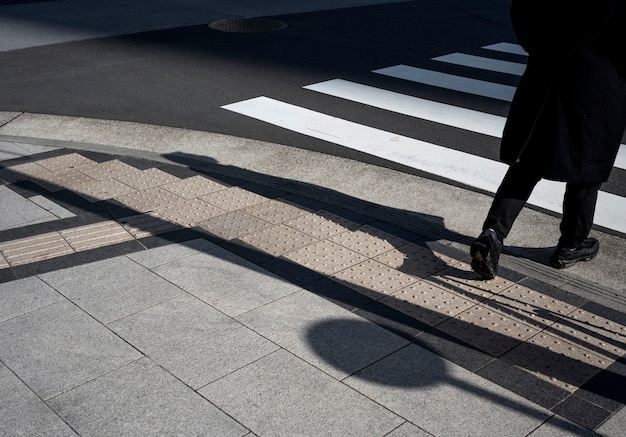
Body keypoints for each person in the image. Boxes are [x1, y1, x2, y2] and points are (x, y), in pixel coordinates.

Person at [470, 0, 626, 279]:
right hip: (598, 79)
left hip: (547, 74)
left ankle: (492, 234)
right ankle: (571, 245)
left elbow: (522, 9)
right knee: (587, 168)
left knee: (528, 161)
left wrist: (538, 47)